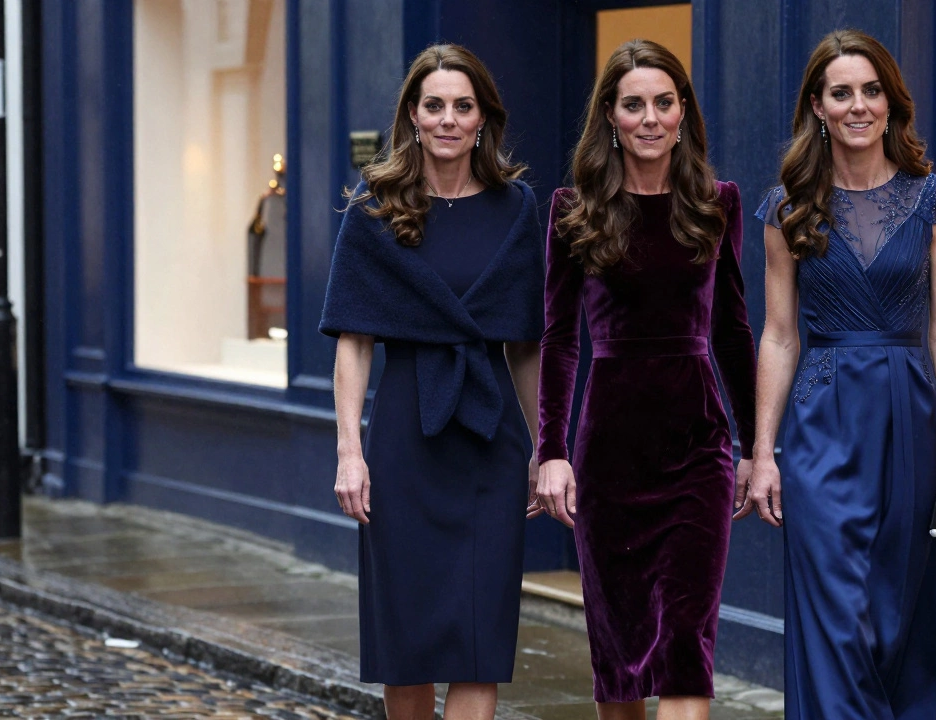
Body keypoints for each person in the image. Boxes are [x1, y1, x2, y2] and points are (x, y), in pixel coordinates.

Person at [743, 29, 936, 719]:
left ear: (890, 101)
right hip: (821, 424)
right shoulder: (786, 207)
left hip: (909, 417)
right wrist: (763, 452)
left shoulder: (933, 201)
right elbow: (781, 336)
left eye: (871, 90)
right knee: (834, 615)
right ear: (816, 106)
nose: (858, 105)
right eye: (841, 92)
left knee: (901, 609)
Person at [318, 44, 544, 720]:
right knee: (406, 642)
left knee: (480, 640)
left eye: (463, 106)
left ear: (483, 119)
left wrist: (545, 448)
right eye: (434, 105)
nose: (449, 119)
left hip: (490, 439)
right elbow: (353, 344)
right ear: (412, 117)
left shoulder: (517, 208)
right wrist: (349, 451)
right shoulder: (375, 208)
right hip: (404, 438)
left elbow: (528, 345)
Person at [535, 38, 757, 720]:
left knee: (688, 648)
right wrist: (552, 451)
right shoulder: (574, 210)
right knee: (622, 664)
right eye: (634, 105)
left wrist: (756, 448)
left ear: (684, 112)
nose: (651, 118)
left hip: (697, 450)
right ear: (610, 116)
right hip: (609, 455)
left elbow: (731, 332)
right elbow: (561, 337)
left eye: (665, 102)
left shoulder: (717, 204)